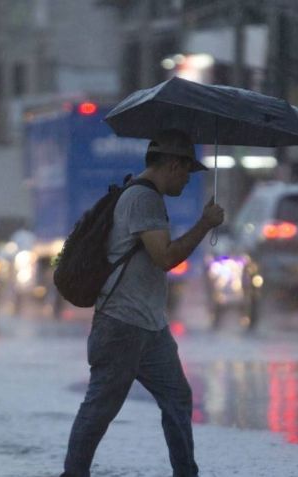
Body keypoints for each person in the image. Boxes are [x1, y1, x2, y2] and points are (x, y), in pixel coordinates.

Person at [61, 129, 224, 477]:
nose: (187, 181)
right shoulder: (143, 199)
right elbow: (165, 257)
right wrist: (204, 223)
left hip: (150, 326)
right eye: (187, 172)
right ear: (174, 165)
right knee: (101, 406)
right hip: (122, 324)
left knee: (178, 398)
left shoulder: (144, 196)